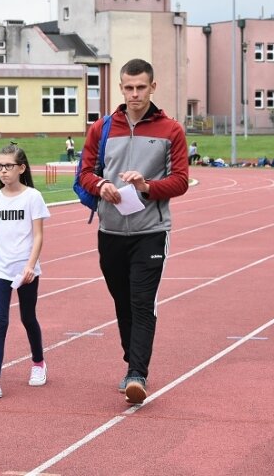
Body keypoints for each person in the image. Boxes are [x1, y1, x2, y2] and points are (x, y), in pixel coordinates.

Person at [78, 58, 189, 405]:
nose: (135, 93)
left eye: (141, 87)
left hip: (150, 231)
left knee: (142, 303)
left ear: (152, 87)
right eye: (129, 87)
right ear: (121, 88)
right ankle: (132, 362)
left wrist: (146, 186)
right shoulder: (102, 128)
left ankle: (137, 373)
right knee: (122, 302)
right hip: (110, 230)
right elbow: (84, 173)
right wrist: (101, 186)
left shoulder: (171, 130)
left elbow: (182, 181)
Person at [0, 144, 51, 399]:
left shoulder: (32, 197)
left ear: (21, 168)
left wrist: (30, 265)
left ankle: (38, 362)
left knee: (28, 318)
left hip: (25, 269)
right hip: (1, 269)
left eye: (8, 166)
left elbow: (38, 234)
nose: (3, 171)